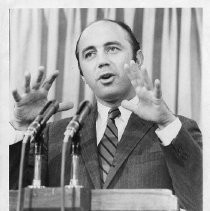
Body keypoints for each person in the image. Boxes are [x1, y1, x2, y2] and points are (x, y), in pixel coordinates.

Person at [9, 19, 202, 211]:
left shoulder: (176, 129)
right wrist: (20, 128)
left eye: (112, 49)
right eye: (90, 54)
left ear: (138, 58)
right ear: (83, 75)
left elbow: (199, 201)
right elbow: (14, 200)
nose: (102, 61)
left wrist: (166, 121)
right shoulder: (56, 135)